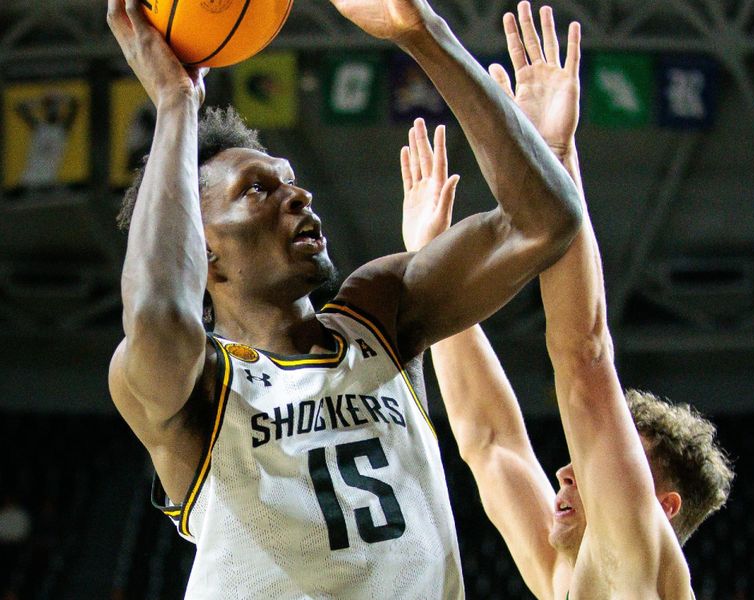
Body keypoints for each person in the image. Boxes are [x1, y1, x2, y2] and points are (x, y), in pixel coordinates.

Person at [105, 0, 583, 597]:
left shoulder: (379, 313)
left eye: (290, 178)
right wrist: (176, 105)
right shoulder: (195, 385)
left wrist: (423, 33)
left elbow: (543, 222)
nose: (299, 195)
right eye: (258, 190)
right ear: (204, 251)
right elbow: (156, 313)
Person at [401, 4, 734, 599]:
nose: (565, 467)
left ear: (663, 507)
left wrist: (555, 158)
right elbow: (490, 442)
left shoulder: (637, 566)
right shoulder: (569, 581)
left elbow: (584, 359)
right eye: (591, 453)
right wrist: (436, 264)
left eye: (605, 456)